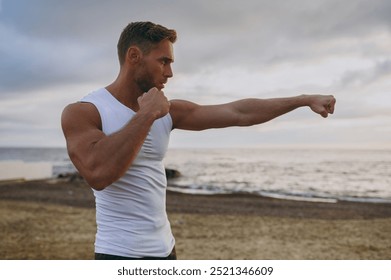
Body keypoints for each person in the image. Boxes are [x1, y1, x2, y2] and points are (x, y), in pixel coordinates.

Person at [61, 21, 336, 260]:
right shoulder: (84, 111)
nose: (169, 73)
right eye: (163, 61)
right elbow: (98, 173)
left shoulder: (168, 111)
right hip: (118, 253)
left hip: (166, 250)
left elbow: (238, 113)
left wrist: (302, 100)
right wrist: (147, 114)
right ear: (134, 56)